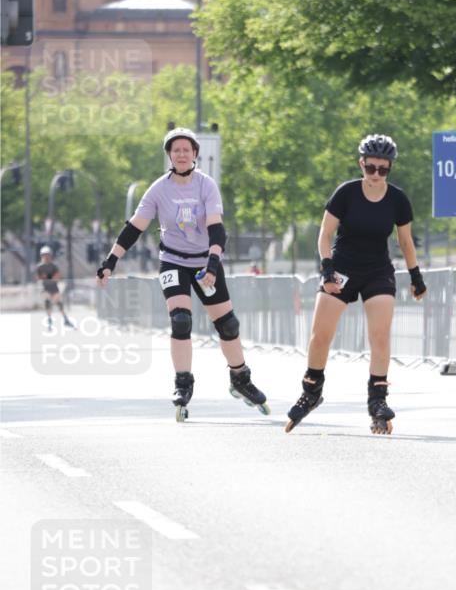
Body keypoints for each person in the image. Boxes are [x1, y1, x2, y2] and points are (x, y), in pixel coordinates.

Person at [95, 127, 269, 421]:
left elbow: (216, 227)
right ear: (169, 156)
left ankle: (240, 379)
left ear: (195, 154)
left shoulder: (206, 185)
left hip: (205, 261)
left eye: (187, 150)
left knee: (227, 324)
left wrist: (213, 265)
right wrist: (110, 261)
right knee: (181, 320)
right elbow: (134, 227)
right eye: (176, 150)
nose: (182, 154)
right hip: (173, 262)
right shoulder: (159, 189)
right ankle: (182, 384)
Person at [285, 133, 426, 435]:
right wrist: (326, 271)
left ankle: (377, 401)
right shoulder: (346, 193)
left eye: (383, 169)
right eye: (370, 168)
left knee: (379, 334)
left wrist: (416, 276)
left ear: (390, 168)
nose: (376, 175)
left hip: (377, 270)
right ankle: (311, 391)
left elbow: (405, 241)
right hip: (343, 267)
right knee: (321, 334)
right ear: (361, 164)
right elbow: (324, 233)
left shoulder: (398, 200)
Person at [36, 245, 74, 329]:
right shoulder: (39, 267)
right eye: (44, 255)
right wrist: (49, 277)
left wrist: (48, 277)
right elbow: (39, 278)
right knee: (47, 302)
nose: (46, 257)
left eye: (48, 255)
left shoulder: (54, 266)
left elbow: (57, 277)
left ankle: (65, 319)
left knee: (59, 303)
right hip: (45, 288)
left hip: (54, 288)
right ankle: (49, 320)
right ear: (41, 256)